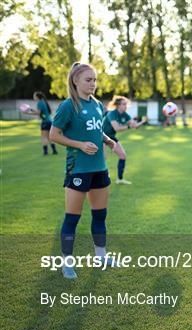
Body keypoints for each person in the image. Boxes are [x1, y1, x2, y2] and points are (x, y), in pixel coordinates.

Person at [49, 63, 117, 279]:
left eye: (95, 80)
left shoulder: (98, 105)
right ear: (75, 81)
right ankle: (67, 263)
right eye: (88, 80)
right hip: (78, 170)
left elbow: (96, 130)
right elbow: (54, 134)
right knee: (72, 219)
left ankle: (101, 256)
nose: (93, 84)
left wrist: (107, 140)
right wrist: (80, 145)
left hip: (100, 169)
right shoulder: (68, 106)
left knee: (100, 216)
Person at [102, 95, 147, 185]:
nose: (126, 106)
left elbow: (134, 126)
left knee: (123, 155)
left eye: (126, 104)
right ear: (118, 105)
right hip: (102, 136)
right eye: (123, 104)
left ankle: (120, 179)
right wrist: (129, 126)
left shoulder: (125, 115)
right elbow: (117, 128)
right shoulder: (112, 113)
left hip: (111, 137)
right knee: (103, 159)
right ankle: (98, 180)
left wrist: (143, 121)